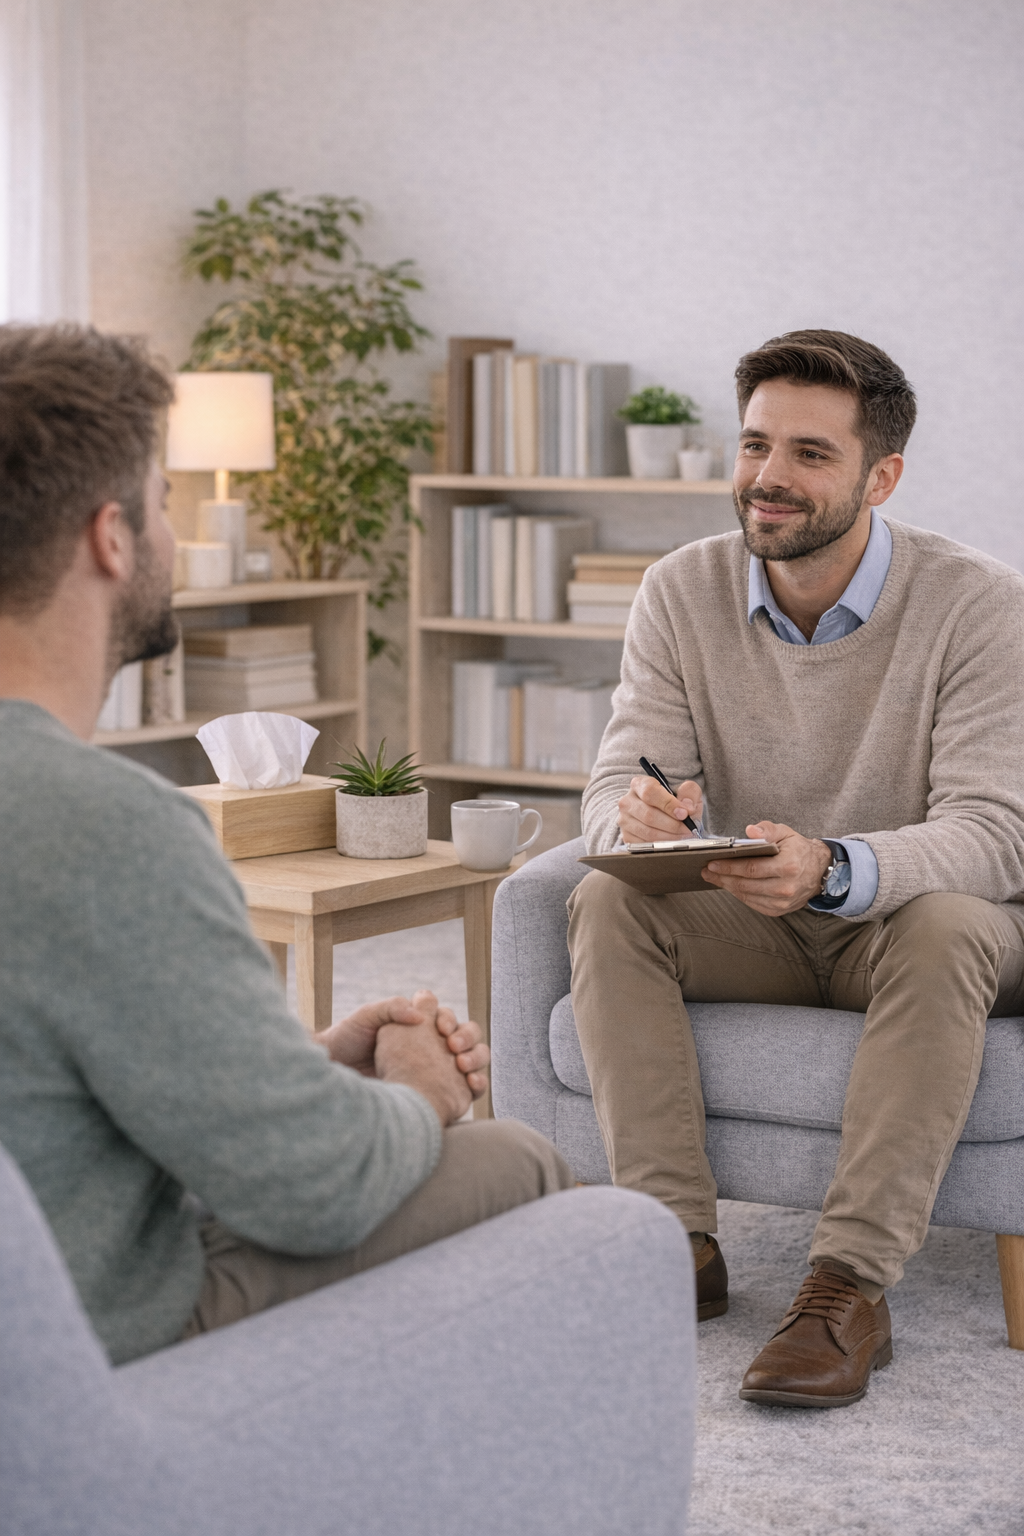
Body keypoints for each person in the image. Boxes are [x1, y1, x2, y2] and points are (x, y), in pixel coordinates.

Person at [0, 322, 572, 1367]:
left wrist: (299, 1069)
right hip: (82, 1340)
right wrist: (420, 1095)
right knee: (517, 1161)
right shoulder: (110, 826)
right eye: (164, 501)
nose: (173, 537)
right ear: (110, 537)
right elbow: (315, 1190)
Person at [569, 328, 1024, 1408]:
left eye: (810, 454)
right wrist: (636, 820)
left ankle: (846, 1288)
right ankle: (673, 1246)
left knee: (951, 922)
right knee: (604, 899)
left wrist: (832, 867)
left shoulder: (980, 604)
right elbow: (609, 790)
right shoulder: (679, 590)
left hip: (914, 928)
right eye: (755, 444)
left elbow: (996, 831)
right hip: (759, 923)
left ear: (882, 477)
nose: (767, 476)